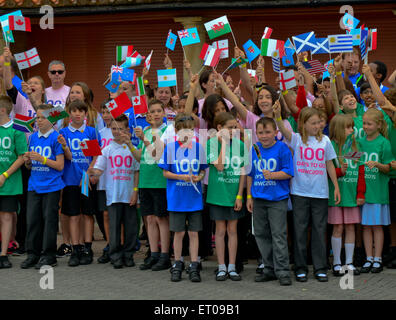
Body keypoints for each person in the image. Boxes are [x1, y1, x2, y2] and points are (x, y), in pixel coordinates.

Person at [274, 104, 340, 283]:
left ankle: (320, 267)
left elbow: (329, 164)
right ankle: (300, 267)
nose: (317, 126)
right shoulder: (296, 139)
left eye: (319, 122)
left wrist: (336, 186)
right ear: (302, 124)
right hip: (300, 192)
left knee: (320, 230)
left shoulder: (325, 140)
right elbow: (282, 130)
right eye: (313, 123)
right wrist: (278, 115)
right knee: (300, 230)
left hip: (320, 193)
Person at [158, 113, 208, 282]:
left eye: (190, 129)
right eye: (183, 130)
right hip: (177, 198)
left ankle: (194, 264)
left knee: (194, 233)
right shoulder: (170, 148)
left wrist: (198, 178)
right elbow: (165, 173)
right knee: (178, 233)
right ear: (177, 131)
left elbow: (202, 170)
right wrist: (181, 177)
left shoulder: (198, 148)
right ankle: (177, 263)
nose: (187, 133)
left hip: (194, 198)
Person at [247, 117, 294, 286]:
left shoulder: (282, 149)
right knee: (261, 234)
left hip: (277, 199)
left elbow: (289, 172)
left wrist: (273, 175)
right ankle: (269, 268)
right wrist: (248, 197)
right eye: (260, 133)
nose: (264, 136)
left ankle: (282, 270)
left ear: (276, 132)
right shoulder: (253, 149)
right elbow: (249, 175)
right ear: (256, 133)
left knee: (278, 235)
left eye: (268, 132)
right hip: (259, 198)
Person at [89, 114, 139, 269]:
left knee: (131, 227)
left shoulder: (133, 149)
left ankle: (128, 254)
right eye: (114, 129)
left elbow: (137, 171)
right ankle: (115, 254)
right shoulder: (107, 149)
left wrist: (135, 191)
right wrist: (92, 174)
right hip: (113, 195)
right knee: (114, 227)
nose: (117, 131)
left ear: (127, 130)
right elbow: (99, 168)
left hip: (129, 195)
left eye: (121, 129)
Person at [20, 104, 65, 269]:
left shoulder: (56, 137)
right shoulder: (32, 137)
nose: (38, 120)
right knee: (32, 220)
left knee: (49, 221)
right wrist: (28, 162)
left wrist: (42, 159)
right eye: (37, 117)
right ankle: (33, 253)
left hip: (51, 186)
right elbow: (30, 166)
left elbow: (60, 165)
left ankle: (49, 255)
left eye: (42, 117)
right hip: (34, 185)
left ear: (51, 119)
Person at [57, 100, 100, 267]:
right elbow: (67, 157)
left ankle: (87, 248)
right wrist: (64, 145)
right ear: (69, 114)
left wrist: (88, 173)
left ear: (85, 114)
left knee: (87, 214)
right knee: (73, 215)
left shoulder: (90, 132)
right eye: (74, 111)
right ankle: (75, 248)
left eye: (80, 111)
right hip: (70, 181)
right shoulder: (64, 133)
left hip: (85, 181)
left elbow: (95, 156)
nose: (77, 114)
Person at [130, 100, 171, 271]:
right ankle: (153, 254)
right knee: (149, 219)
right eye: (152, 111)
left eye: (158, 111)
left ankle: (165, 255)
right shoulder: (145, 130)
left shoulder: (168, 130)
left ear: (164, 113)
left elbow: (158, 154)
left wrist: (145, 137)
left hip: (159, 181)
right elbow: (141, 157)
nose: (155, 114)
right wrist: (128, 143)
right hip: (146, 180)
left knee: (161, 219)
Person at [206, 112, 246, 281]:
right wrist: (222, 144)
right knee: (220, 231)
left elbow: (243, 171)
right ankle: (221, 266)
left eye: (235, 127)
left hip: (233, 194)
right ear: (220, 128)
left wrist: (239, 195)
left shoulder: (240, 145)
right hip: (217, 194)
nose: (233, 131)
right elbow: (220, 166)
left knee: (232, 230)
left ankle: (232, 266)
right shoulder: (211, 143)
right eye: (230, 128)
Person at [328, 114, 365, 276]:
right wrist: (339, 172)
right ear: (337, 129)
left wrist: (360, 193)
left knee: (350, 227)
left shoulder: (355, 148)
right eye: (348, 127)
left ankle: (349, 263)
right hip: (335, 195)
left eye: (352, 127)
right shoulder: (331, 147)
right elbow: (326, 170)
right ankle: (336, 262)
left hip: (351, 195)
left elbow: (361, 172)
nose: (352, 130)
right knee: (338, 227)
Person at [358, 108, 394, 274]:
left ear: (379, 125)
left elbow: (388, 167)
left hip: (377, 192)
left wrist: (377, 165)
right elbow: (353, 159)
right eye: (364, 123)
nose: (365, 126)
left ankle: (378, 258)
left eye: (369, 124)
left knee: (377, 226)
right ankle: (368, 258)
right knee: (365, 226)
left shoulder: (383, 143)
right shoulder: (359, 141)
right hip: (363, 193)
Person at [0, 96, 27, 268]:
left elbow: (22, 156)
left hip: (9, 182)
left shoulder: (16, 129)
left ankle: (3, 254)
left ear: (2, 110)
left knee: (6, 216)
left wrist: (5, 175)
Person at [96, 101, 113, 264]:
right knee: (106, 214)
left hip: (118, 179)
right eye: (104, 112)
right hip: (102, 180)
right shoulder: (99, 133)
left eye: (109, 111)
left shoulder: (120, 132)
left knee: (118, 215)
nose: (106, 115)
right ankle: (110, 244)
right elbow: (93, 156)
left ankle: (121, 245)